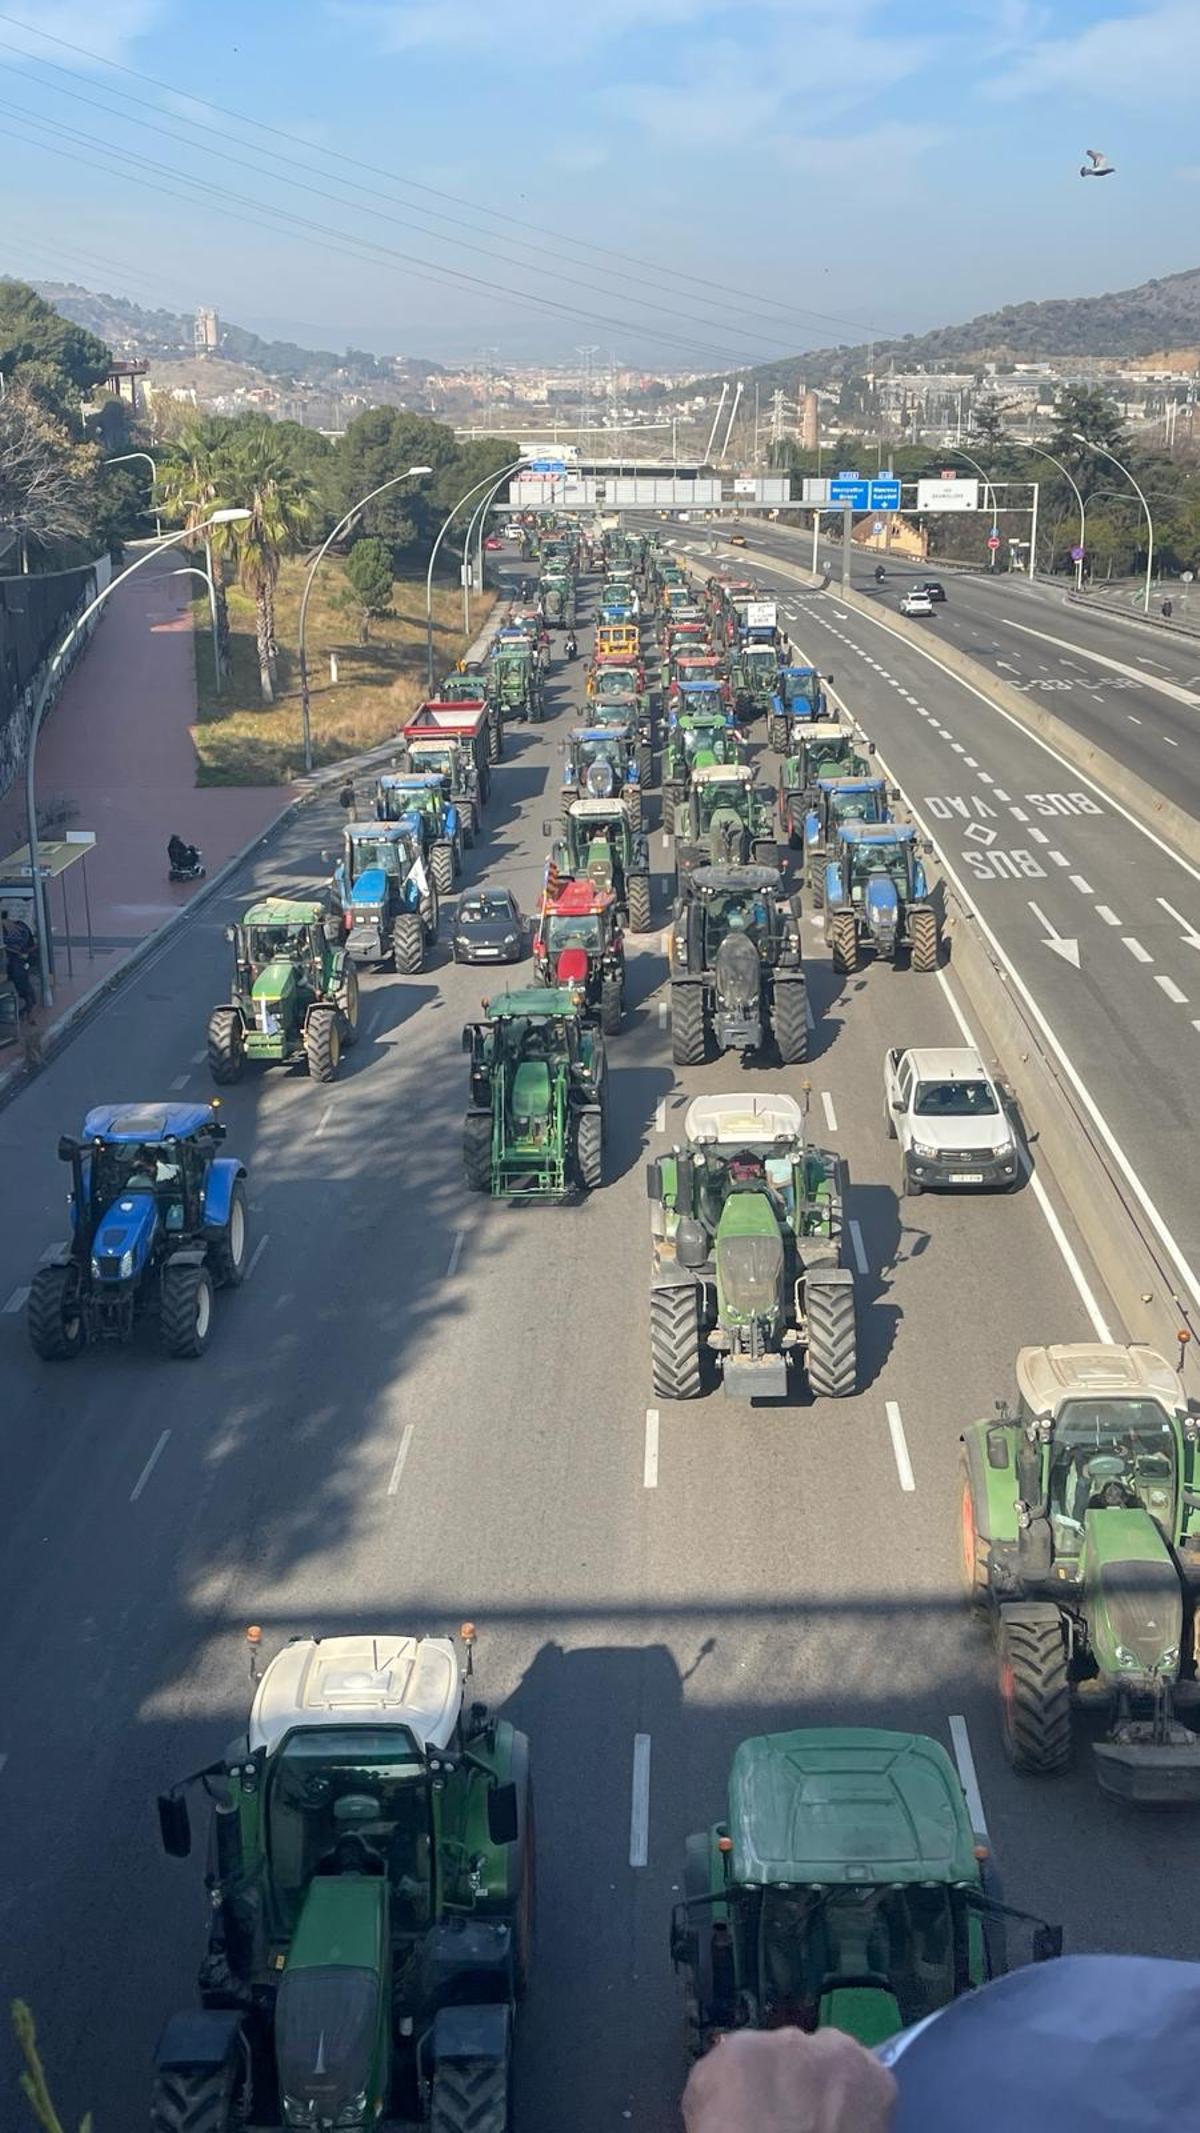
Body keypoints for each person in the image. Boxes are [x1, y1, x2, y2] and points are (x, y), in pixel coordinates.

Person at [2, 908, 36, 1015]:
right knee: (16, 965)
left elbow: (30, 948)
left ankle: (27, 997)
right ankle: (27, 996)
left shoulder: (20, 928)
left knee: (16, 965)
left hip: (12, 957)